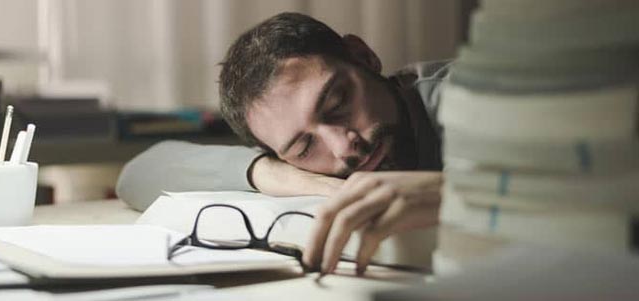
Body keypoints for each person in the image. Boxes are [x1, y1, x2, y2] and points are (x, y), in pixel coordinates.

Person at [116, 12, 449, 276]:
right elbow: (138, 172)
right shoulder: (301, 167)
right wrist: (283, 175)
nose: (343, 148)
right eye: (304, 148)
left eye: (337, 104)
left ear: (363, 57)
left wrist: (448, 192)